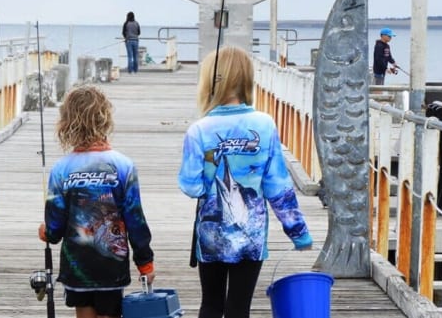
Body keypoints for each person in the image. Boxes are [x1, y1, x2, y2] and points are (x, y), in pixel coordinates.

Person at [177, 46, 312, 318]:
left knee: (211, 305)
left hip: (211, 237)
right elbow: (278, 187)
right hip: (251, 239)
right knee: (240, 308)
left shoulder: (198, 130)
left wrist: (210, 167)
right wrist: (298, 232)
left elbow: (191, 186)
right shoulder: (264, 125)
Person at [38, 86, 155, 318]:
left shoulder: (61, 169)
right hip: (112, 266)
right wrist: (145, 262)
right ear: (105, 119)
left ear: (66, 123)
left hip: (77, 266)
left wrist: (47, 233)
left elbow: (55, 226)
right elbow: (135, 219)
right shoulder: (123, 165)